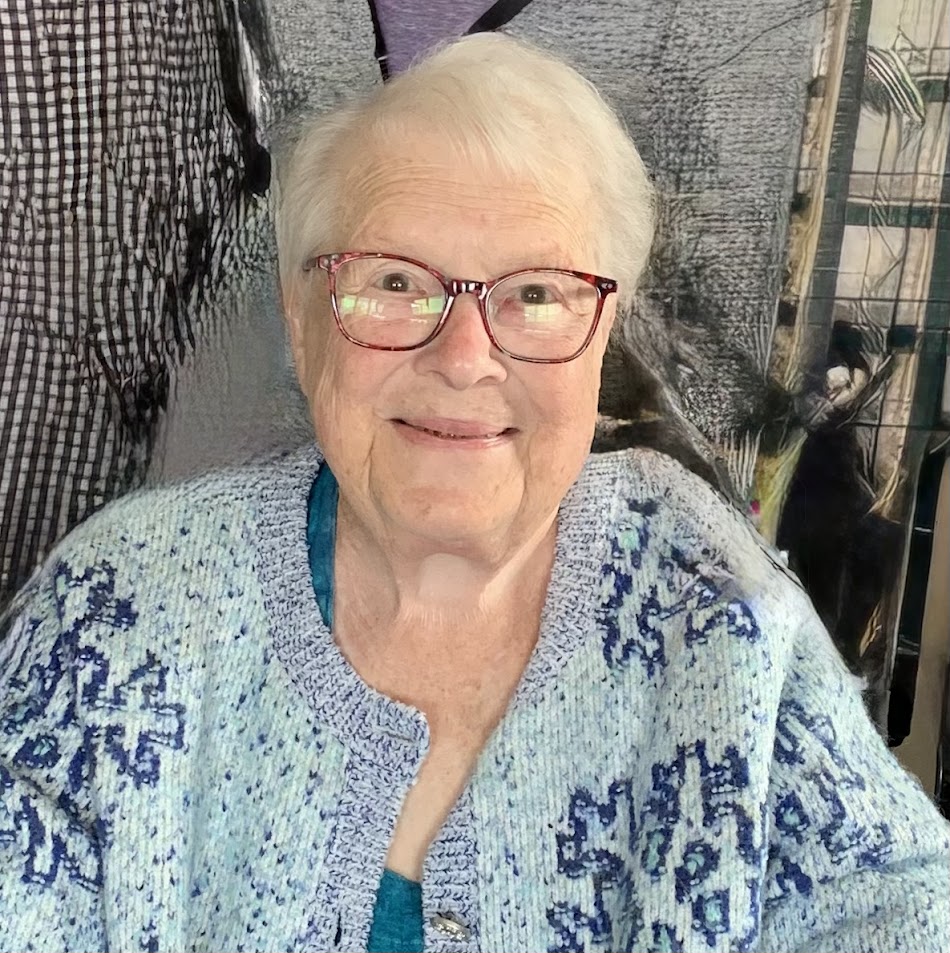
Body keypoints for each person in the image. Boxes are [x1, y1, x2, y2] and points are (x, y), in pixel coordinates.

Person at [1, 32, 947, 953]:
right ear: (301, 320)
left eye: (534, 294)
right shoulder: (124, 604)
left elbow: (895, 902)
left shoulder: (705, 597)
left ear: (602, 330)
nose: (463, 358)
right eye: (394, 281)